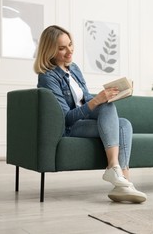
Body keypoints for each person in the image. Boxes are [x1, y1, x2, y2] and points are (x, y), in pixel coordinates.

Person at [33, 25, 146, 203]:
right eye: (62, 48)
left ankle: (122, 183)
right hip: (70, 127)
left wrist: (109, 95)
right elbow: (66, 118)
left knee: (124, 124)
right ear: (50, 51)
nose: (69, 51)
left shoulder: (74, 68)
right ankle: (116, 171)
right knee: (107, 108)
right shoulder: (48, 77)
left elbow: (85, 98)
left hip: (85, 120)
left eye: (70, 45)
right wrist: (98, 100)